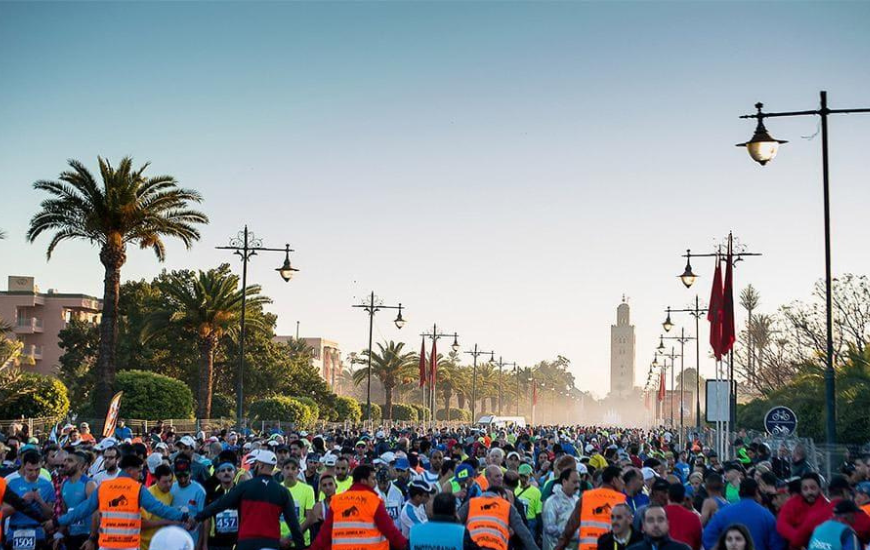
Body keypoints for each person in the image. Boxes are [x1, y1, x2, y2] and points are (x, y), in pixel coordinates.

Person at [49, 454, 191, 550]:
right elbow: (159, 508)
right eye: (139, 471)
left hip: (106, 546)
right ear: (130, 470)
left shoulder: (104, 487)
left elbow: (81, 511)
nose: (141, 475)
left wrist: (56, 522)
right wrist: (182, 516)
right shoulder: (138, 489)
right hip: (128, 546)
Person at [195, 450, 305, 550]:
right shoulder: (283, 492)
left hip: (247, 543)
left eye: (255, 464)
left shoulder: (245, 486)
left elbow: (221, 504)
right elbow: (294, 525)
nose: (254, 467)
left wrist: (198, 517)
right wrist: (301, 546)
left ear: (260, 465)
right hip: (271, 543)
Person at [310, 464, 408, 550]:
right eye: (373, 479)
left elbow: (325, 534)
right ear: (364, 481)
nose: (375, 482)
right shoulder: (374, 501)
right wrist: (406, 545)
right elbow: (389, 530)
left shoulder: (337, 501)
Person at [556, 465, 627, 550]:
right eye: (622, 479)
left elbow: (569, 529)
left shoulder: (586, 497)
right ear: (614, 480)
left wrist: (559, 547)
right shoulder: (621, 501)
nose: (624, 483)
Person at [703, 479, 785, 550]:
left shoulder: (723, 513)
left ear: (739, 492)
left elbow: (707, 537)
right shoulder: (767, 516)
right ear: (756, 492)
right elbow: (777, 545)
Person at [459, 485, 540, 550]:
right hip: (496, 546)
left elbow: (455, 522)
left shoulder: (471, 503)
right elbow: (524, 534)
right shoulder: (507, 506)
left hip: (473, 546)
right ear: (501, 495)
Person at [6, 450, 56, 550]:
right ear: (23, 466)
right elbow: (5, 512)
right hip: (15, 530)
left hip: (37, 530)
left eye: (37, 470)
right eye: (30, 470)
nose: (34, 473)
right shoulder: (12, 483)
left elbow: (49, 515)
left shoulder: (47, 485)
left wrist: (40, 500)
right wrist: (21, 501)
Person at [777, 473, 829, 549]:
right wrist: (798, 538)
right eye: (805, 488)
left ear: (819, 488)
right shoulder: (793, 503)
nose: (809, 492)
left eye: (813, 488)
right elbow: (781, 524)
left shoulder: (827, 506)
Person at [58, 451, 96, 550]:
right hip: (71, 536)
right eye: (65, 460)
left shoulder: (89, 484)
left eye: (70, 461)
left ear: (82, 465)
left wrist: (92, 538)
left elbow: (96, 513)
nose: (65, 463)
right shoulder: (64, 484)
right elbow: (65, 512)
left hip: (86, 536)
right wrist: (59, 534)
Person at [203, 459, 240, 550]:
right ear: (217, 475)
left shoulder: (241, 493)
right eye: (222, 471)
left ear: (234, 473)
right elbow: (207, 520)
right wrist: (204, 544)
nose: (226, 473)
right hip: (215, 544)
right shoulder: (211, 494)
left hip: (236, 543)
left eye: (229, 470)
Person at [169, 457, 206, 547]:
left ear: (191, 473)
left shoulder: (199, 491)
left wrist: (200, 544)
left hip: (192, 540)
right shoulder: (170, 489)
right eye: (179, 476)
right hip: (174, 540)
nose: (182, 479)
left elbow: (203, 521)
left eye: (185, 475)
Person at [280, 457, 316, 546]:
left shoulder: (307, 489)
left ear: (298, 471)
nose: (290, 471)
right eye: (287, 468)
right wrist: (280, 538)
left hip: (300, 541)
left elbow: (310, 518)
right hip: (279, 541)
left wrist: (291, 537)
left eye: (293, 468)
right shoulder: (276, 489)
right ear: (282, 471)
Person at [140, 464, 176, 550]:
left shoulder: (174, 491)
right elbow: (141, 523)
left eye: (170, 481)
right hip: (147, 546)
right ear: (156, 480)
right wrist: (165, 522)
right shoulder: (149, 495)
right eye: (165, 482)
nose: (168, 484)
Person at [543, 469, 580, 550]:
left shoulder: (577, 500)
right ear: (564, 481)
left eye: (578, 482)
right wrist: (569, 533)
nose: (577, 485)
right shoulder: (552, 501)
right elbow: (549, 527)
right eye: (574, 482)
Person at [625, 505, 690, 550]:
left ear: (667, 524)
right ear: (644, 526)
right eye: (650, 520)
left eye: (660, 520)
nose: (656, 524)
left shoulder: (683, 549)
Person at [664, 483, 702, 550]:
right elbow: (698, 543)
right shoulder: (693, 517)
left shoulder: (659, 514)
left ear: (668, 496)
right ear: (684, 498)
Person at [516, 464, 544, 539]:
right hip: (527, 522)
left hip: (522, 522)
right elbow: (538, 513)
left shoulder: (514, 488)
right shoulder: (536, 491)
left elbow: (538, 513)